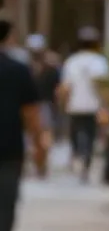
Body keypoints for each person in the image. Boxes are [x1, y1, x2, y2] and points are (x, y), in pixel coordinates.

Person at [0, 20, 49, 231]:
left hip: (10, 151)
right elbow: (31, 114)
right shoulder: (18, 70)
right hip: (8, 149)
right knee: (5, 209)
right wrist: (40, 149)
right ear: (8, 37)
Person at [58, 27, 109, 181]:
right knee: (91, 135)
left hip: (75, 106)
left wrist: (63, 104)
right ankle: (85, 162)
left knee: (76, 133)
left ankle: (78, 157)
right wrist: (105, 105)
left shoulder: (72, 62)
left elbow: (65, 87)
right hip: (93, 106)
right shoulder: (100, 62)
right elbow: (103, 86)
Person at [26, 36, 60, 173]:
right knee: (37, 136)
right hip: (35, 105)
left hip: (41, 104)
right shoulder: (25, 67)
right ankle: (39, 163)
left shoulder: (48, 68)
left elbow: (56, 88)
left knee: (42, 136)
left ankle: (41, 163)